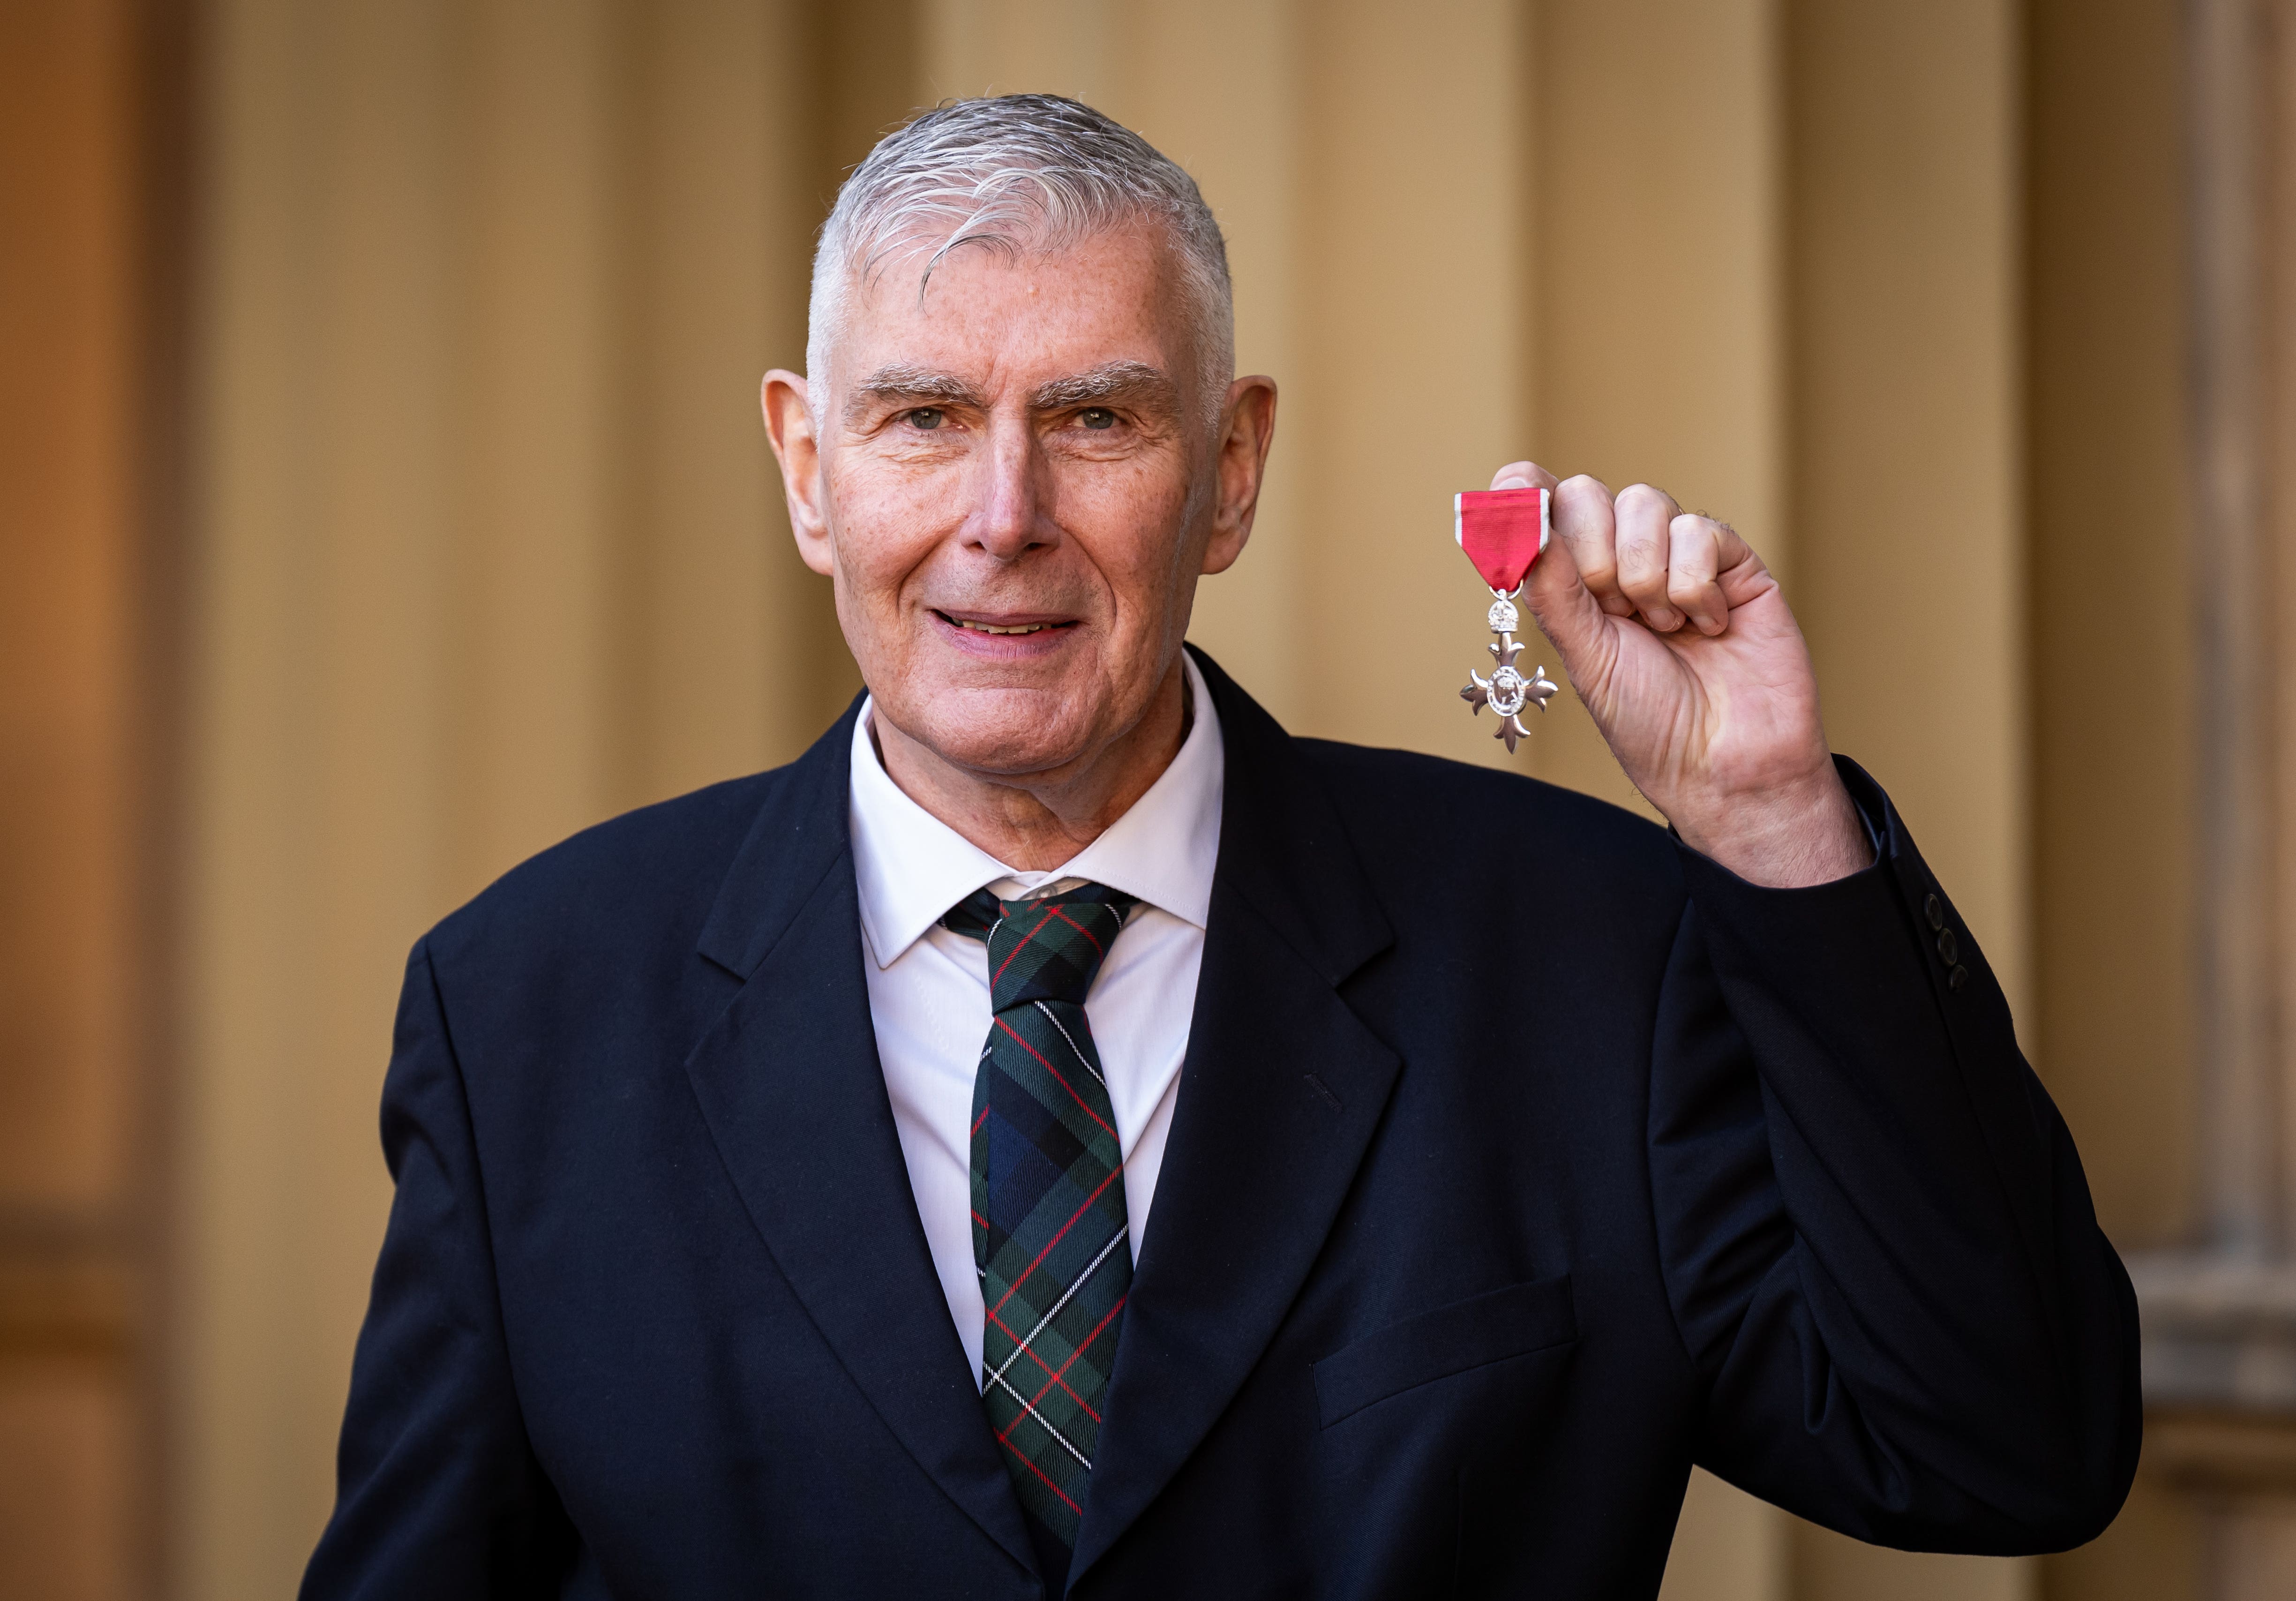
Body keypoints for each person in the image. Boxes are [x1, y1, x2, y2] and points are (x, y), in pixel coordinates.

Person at [300, 94, 2137, 1600]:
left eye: (1094, 417)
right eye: (924, 418)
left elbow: (2003, 1446)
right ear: (806, 467)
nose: (1003, 518)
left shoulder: (1588, 957)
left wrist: (1773, 827)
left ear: (1232, 470)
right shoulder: (523, 1009)